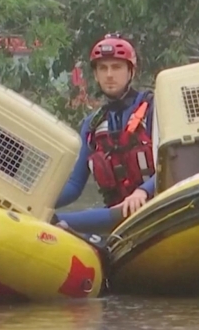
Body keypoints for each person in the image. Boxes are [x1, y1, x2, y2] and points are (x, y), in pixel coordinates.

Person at [53, 34, 157, 233]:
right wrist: (38, 202)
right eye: (103, 68)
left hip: (154, 203)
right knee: (48, 219)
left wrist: (143, 191)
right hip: (115, 214)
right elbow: (75, 186)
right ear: (95, 75)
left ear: (131, 71)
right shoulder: (92, 125)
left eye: (117, 67)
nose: (109, 75)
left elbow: (172, 166)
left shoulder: (153, 109)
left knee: (55, 221)